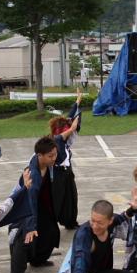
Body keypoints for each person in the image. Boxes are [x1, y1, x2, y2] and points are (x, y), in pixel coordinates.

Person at [7, 136, 61, 273]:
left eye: (55, 154)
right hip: (25, 209)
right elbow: (29, 201)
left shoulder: (48, 163)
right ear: (40, 156)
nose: (54, 158)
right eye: (50, 156)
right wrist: (30, 226)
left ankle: (38, 260)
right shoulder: (33, 174)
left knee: (49, 232)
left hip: (42, 207)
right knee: (25, 239)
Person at [49, 90, 82, 229]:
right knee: (56, 201)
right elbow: (73, 126)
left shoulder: (63, 140)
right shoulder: (57, 139)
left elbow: (69, 118)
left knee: (71, 198)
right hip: (57, 175)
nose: (72, 133)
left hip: (67, 173)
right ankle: (50, 224)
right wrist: (76, 119)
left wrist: (78, 100)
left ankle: (70, 222)